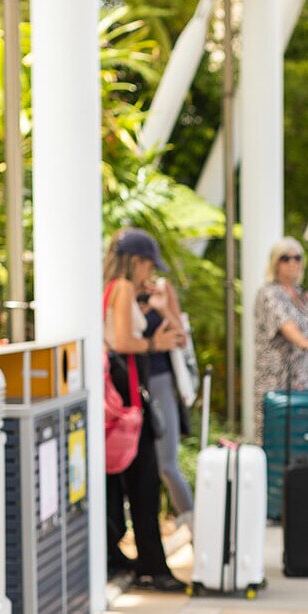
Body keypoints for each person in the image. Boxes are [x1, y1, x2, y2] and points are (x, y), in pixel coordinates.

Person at [103, 228, 187, 592]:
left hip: (122, 395)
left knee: (130, 480)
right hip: (128, 395)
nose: (149, 272)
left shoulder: (117, 290)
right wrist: (155, 342)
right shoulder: (121, 288)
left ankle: (134, 560)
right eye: (148, 264)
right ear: (136, 262)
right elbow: (122, 341)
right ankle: (152, 566)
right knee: (144, 480)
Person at [253, 237, 308, 442]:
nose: (293, 262)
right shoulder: (269, 293)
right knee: (278, 437)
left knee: (303, 436)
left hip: (306, 378)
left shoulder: (302, 295)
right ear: (275, 263)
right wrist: (305, 343)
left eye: (297, 258)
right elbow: (285, 324)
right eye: (286, 258)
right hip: (280, 379)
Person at [140, 275, 194, 529]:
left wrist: (160, 307)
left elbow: (181, 337)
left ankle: (196, 529)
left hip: (160, 380)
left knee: (167, 465)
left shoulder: (160, 287)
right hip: (130, 382)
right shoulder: (120, 290)